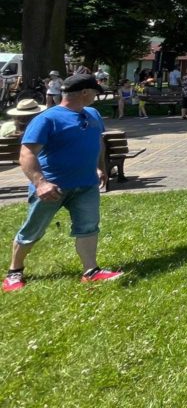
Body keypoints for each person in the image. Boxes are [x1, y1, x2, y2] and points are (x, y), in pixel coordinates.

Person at [3, 74, 123, 293]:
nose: (96, 96)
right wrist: (41, 183)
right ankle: (14, 272)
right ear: (85, 93)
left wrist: (101, 168)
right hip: (52, 187)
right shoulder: (47, 118)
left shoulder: (93, 114)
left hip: (86, 184)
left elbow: (98, 141)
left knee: (88, 226)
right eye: (94, 92)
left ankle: (91, 271)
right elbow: (26, 153)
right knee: (33, 230)